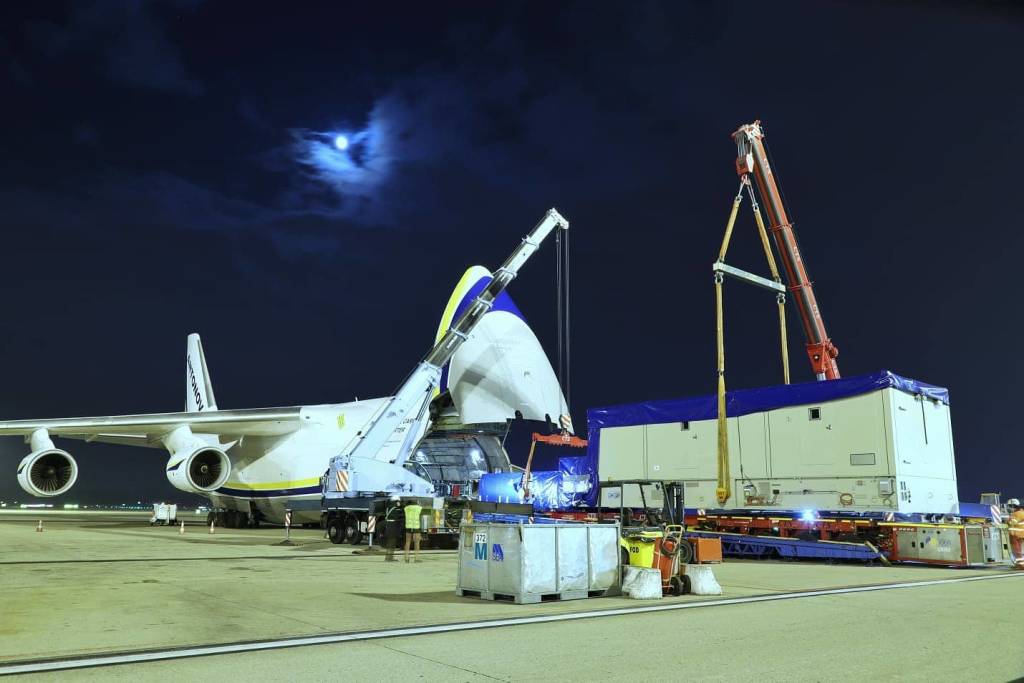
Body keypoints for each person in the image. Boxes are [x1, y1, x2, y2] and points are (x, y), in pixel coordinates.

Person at [403, 499, 424, 563]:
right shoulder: (419, 508)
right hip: (416, 527)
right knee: (417, 542)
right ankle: (416, 558)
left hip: (408, 527)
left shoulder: (406, 508)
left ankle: (406, 558)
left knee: (407, 542)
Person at [383, 496, 403, 562]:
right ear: (396, 501)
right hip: (393, 527)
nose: (399, 503)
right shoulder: (395, 508)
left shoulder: (388, 507)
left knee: (389, 543)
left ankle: (388, 557)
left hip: (388, 526)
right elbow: (399, 517)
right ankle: (389, 558)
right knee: (392, 543)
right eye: (398, 501)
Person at [1008, 498, 1024, 569]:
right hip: (1018, 534)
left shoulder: (1017, 514)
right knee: (1018, 550)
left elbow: (1013, 522)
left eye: (1010, 506)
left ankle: (1021, 565)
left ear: (1013, 506)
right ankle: (1019, 564)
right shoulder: (1021, 512)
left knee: (1016, 551)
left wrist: (1008, 520)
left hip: (1015, 535)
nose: (1009, 508)